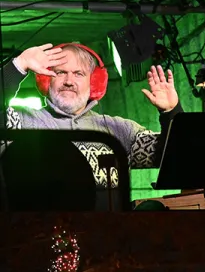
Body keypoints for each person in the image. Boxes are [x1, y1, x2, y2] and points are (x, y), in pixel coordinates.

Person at [2, 43, 182, 209]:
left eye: (79, 74)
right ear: (45, 80)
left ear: (94, 82)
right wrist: (19, 65)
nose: (69, 81)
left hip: (106, 235)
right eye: (60, 72)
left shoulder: (118, 129)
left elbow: (173, 157)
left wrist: (171, 112)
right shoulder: (22, 122)